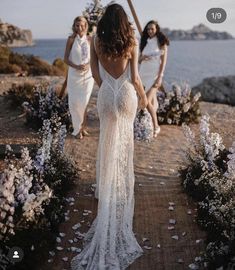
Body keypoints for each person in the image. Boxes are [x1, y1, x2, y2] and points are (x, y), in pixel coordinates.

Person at [71, 3, 148, 270]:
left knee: (106, 144)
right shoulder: (132, 41)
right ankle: (121, 192)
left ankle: (103, 189)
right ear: (125, 21)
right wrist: (145, 99)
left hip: (106, 95)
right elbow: (136, 78)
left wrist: (108, 89)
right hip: (126, 94)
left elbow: (94, 73)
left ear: (104, 21)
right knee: (124, 146)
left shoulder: (96, 40)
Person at [64, 16, 94, 139]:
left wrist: (88, 65)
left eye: (82, 25)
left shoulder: (91, 39)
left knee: (85, 102)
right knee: (75, 103)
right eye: (77, 25)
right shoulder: (71, 39)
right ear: (74, 26)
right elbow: (65, 59)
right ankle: (78, 129)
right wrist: (76, 66)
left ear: (86, 26)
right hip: (74, 76)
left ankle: (83, 128)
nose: (80, 28)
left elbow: (94, 58)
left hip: (87, 76)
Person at [139, 20, 169, 137]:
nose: (150, 31)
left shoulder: (161, 43)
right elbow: (138, 61)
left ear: (156, 29)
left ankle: (156, 126)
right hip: (143, 74)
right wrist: (142, 58)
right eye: (148, 29)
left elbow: (163, 62)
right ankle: (149, 125)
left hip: (154, 76)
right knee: (148, 102)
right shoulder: (145, 42)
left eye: (152, 29)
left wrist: (160, 77)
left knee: (145, 100)